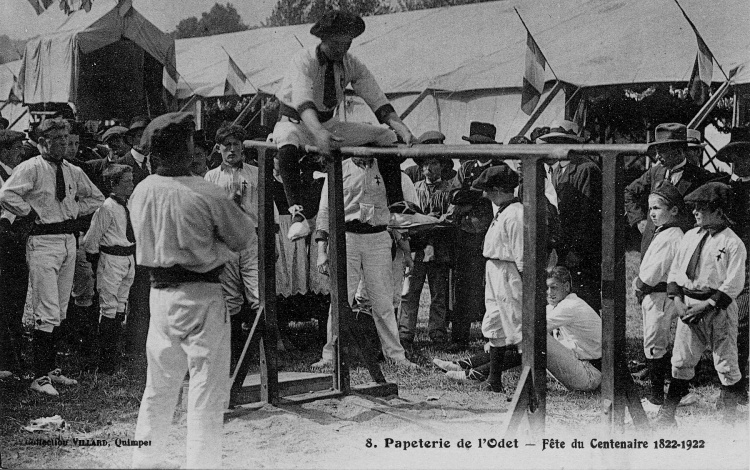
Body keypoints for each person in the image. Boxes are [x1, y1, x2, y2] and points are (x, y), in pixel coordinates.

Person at [129, 113, 255, 468]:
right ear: (186, 151)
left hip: (159, 295)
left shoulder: (142, 190)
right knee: (206, 389)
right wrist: (232, 213)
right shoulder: (206, 191)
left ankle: (145, 460)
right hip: (201, 293)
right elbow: (242, 237)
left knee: (159, 385)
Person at [273, 10, 417, 241]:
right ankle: (298, 215)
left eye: (347, 44)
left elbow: (375, 97)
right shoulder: (304, 60)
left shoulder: (351, 63)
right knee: (286, 137)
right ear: (324, 39)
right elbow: (302, 100)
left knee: (386, 137)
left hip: (329, 125)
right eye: (337, 44)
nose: (342, 49)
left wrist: (401, 128)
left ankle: (397, 208)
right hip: (297, 123)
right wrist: (318, 132)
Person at [0, 117, 104, 396]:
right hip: (42, 240)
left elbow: (96, 198)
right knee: (45, 308)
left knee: (59, 308)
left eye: (66, 139)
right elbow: (7, 195)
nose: (63, 144)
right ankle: (39, 376)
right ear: (43, 142)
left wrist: (72, 210)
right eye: (57, 139)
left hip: (67, 239)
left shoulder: (72, 170)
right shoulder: (31, 167)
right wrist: (30, 212)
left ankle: (52, 369)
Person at [655, 182, 746, 426]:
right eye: (694, 207)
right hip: (688, 306)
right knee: (681, 360)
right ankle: (667, 415)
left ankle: (729, 420)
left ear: (719, 211)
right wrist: (678, 301)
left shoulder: (732, 243)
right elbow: (676, 271)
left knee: (726, 362)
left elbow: (734, 283)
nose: (695, 212)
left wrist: (707, 305)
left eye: (702, 208)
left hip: (717, 309)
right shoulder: (690, 237)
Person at [313, 155, 417, 369]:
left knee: (383, 301)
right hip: (346, 237)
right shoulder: (339, 168)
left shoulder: (385, 167)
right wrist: (321, 250)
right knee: (341, 298)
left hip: (378, 236)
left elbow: (396, 211)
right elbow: (324, 211)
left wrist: (406, 251)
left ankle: (396, 356)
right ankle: (330, 355)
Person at [435, 266, 602, 393]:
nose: (549, 293)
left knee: (532, 337)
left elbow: (528, 330)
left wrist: (501, 341)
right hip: (577, 366)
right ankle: (464, 366)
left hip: (589, 374)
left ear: (566, 286)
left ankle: (474, 373)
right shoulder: (558, 305)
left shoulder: (570, 305)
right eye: (546, 288)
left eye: (554, 287)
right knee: (525, 336)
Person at [204, 124, 274, 371]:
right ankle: (234, 358)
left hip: (252, 240)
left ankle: (265, 358)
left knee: (259, 294)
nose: (232, 150)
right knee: (229, 299)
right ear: (219, 149)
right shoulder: (212, 177)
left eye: (236, 145)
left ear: (243, 148)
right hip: (225, 242)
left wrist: (271, 241)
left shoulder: (256, 173)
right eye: (227, 145)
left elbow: (269, 209)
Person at [446, 121, 506, 352]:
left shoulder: (500, 169)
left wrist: (471, 196)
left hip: (492, 234)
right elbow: (454, 195)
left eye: (481, 144)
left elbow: (499, 197)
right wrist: (480, 195)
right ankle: (460, 338)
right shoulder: (466, 168)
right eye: (474, 144)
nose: (477, 148)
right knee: (462, 286)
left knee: (493, 286)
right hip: (466, 235)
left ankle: (494, 337)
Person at [537, 123, 603, 312]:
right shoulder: (557, 170)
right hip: (564, 248)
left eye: (557, 142)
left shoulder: (586, 169)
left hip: (581, 251)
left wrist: (577, 250)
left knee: (584, 297)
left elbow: (589, 216)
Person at [632, 182, 684, 410]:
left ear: (674, 210)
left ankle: (656, 398)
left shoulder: (672, 236)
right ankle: (673, 393)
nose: (652, 213)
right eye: (650, 208)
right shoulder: (663, 232)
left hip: (659, 294)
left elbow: (653, 272)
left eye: (657, 208)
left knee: (655, 343)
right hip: (654, 294)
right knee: (654, 342)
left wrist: (640, 285)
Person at [625, 123, 714, 255]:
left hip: (681, 248)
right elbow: (630, 192)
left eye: (662, 152)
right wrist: (639, 220)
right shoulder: (654, 172)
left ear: (679, 151)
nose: (657, 157)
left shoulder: (701, 177)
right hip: (651, 245)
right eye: (656, 151)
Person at [472, 164, 523, 393]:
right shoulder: (503, 211)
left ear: (500, 190)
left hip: (508, 271)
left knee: (515, 322)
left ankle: (529, 383)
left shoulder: (515, 214)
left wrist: (522, 281)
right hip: (495, 268)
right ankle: (494, 380)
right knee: (494, 321)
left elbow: (521, 254)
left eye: (489, 190)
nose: (486, 194)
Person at [82, 164, 136, 375]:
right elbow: (91, 239)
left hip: (128, 258)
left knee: (121, 305)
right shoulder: (106, 208)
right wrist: (97, 259)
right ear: (113, 184)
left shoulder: (129, 205)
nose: (131, 184)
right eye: (126, 181)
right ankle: (105, 363)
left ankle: (114, 356)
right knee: (109, 307)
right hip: (112, 259)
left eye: (131, 180)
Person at [399, 150, 454, 348]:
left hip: (440, 248)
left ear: (442, 166)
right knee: (410, 292)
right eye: (424, 165)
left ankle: (437, 332)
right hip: (416, 247)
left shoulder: (449, 190)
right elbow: (408, 217)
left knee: (438, 293)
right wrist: (431, 220)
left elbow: (449, 219)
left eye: (433, 164)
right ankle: (405, 333)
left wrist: (427, 221)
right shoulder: (414, 189)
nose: (428, 169)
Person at [715, 128, 750, 402]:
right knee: (727, 320)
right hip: (724, 260)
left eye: (745, 155)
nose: (739, 161)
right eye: (735, 155)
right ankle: (732, 381)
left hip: (748, 264)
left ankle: (737, 386)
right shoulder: (720, 188)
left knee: (742, 319)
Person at [0, 129, 29, 379]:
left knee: (16, 299)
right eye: (17, 148)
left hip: (18, 243)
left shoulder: (17, 175)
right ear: (4, 150)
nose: (21, 152)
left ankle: (13, 357)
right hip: (4, 241)